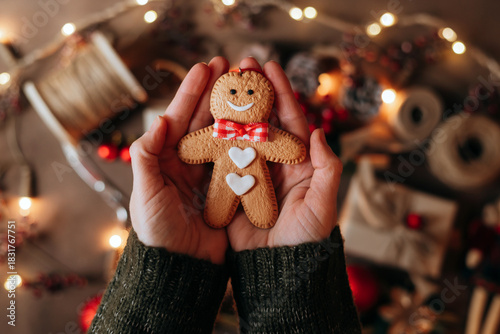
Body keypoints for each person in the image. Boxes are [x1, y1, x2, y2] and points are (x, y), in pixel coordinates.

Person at [89, 57, 361, 333]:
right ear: (221, 97)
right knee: (218, 210)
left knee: (263, 211)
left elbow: (293, 150)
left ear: (262, 102)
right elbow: (188, 149)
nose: (241, 97)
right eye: (232, 92)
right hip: (222, 186)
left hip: (257, 189)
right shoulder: (216, 136)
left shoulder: (264, 136)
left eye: (250, 93)